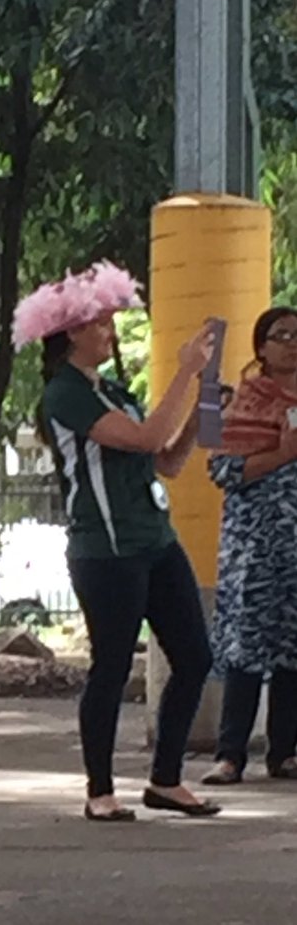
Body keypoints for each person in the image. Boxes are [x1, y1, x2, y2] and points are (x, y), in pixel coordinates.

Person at [14, 261, 220, 822]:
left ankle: (165, 780)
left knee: (196, 657)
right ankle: (99, 790)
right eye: (101, 325)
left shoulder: (115, 391)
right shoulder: (64, 395)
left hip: (154, 540)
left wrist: (203, 411)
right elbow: (147, 435)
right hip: (106, 551)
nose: (110, 333)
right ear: (73, 332)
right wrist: (182, 374)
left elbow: (165, 460)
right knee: (109, 666)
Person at [202, 307, 297, 785]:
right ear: (261, 348)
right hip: (255, 548)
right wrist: (282, 453)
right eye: (282, 336)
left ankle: (285, 753)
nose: (292, 344)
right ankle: (230, 754)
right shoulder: (243, 402)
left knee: (293, 652)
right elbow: (222, 471)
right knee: (247, 651)